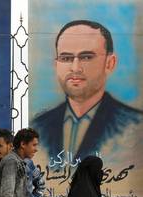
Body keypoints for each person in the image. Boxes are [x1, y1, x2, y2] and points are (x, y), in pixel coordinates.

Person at [31, 20, 142, 161]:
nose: (75, 68)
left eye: (86, 57)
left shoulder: (136, 126)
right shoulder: (38, 127)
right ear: (56, 65)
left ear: (109, 63)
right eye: (66, 58)